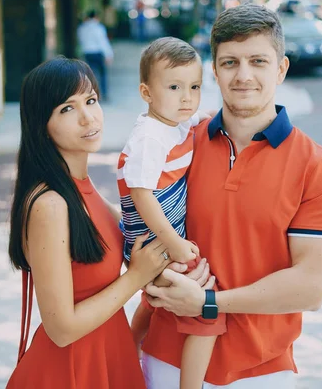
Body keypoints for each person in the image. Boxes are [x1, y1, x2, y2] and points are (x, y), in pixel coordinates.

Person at [139, 4, 322, 388]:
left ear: (280, 69)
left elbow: (311, 287)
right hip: (167, 358)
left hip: (261, 370)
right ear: (214, 71)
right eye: (230, 62)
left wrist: (209, 303)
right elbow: (143, 231)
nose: (243, 75)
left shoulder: (314, 164)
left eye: (258, 61)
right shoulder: (180, 145)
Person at [5, 57, 172, 389]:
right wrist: (135, 276)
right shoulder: (50, 204)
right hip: (70, 371)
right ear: (42, 124)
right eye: (67, 109)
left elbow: (138, 238)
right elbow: (62, 329)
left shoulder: (81, 186)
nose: (88, 117)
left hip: (108, 355)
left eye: (91, 100)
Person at [117, 37, 226, 389]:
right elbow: (141, 194)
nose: (186, 97)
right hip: (154, 242)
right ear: (146, 93)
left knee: (155, 300)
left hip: (161, 240)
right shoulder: (150, 137)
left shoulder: (175, 121)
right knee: (208, 306)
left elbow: (197, 117)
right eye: (175, 87)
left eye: (194, 86)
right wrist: (174, 243)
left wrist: (207, 118)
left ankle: (128, 349)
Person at [77, 10, 113, 101]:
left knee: (90, 75)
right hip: (98, 53)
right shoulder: (99, 28)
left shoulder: (82, 28)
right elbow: (103, 42)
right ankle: (104, 94)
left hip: (87, 53)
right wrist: (108, 55)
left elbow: (81, 41)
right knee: (102, 74)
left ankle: (91, 95)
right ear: (96, 17)